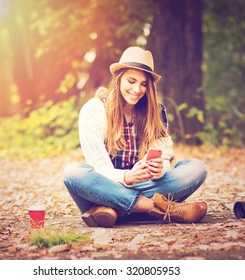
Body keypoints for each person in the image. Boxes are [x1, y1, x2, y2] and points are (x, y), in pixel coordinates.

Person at [63, 46, 208, 227]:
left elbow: (162, 158)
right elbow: (98, 166)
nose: (137, 89)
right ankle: (154, 208)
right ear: (119, 79)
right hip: (104, 186)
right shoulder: (94, 110)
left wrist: (158, 169)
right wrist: (127, 177)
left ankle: (111, 209)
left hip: (140, 188)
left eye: (144, 84)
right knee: (73, 173)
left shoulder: (156, 111)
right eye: (131, 81)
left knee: (196, 168)